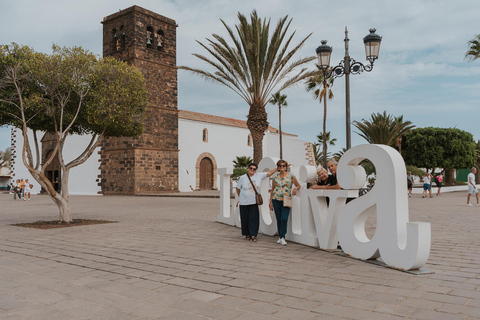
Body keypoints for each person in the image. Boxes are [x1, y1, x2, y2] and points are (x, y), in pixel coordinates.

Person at [236, 163, 277, 242]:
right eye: (251, 168)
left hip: (254, 202)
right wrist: (241, 197)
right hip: (243, 202)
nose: (252, 170)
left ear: (256, 170)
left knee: (254, 218)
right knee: (245, 219)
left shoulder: (259, 176)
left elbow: (269, 173)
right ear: (248, 168)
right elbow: (238, 188)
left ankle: (253, 235)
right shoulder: (243, 178)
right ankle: (247, 234)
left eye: (254, 169)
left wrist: (277, 168)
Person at [269, 160, 301, 246]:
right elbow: (272, 189)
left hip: (286, 199)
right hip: (276, 199)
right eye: (280, 166)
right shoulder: (275, 177)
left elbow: (298, 185)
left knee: (284, 218)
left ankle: (282, 236)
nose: (282, 167)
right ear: (278, 167)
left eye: (283, 166)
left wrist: (295, 189)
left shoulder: (291, 176)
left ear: (286, 167)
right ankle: (281, 237)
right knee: (278, 218)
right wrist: (270, 202)